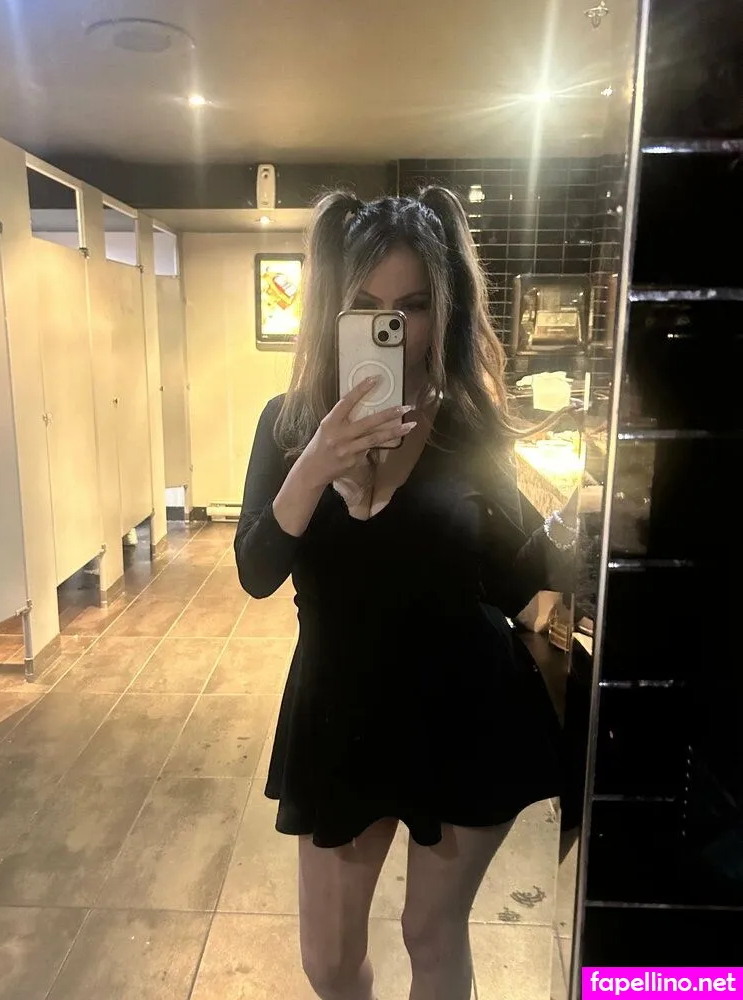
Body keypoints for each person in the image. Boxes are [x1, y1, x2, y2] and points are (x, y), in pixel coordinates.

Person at [235, 187, 577, 1000]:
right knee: (327, 959)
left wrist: (572, 535)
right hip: (340, 711)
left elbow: (516, 581)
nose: (392, 325)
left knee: (431, 931)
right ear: (334, 308)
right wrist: (316, 464)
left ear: (442, 311)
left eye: (413, 306)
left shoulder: (468, 426)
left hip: (464, 709)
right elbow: (256, 572)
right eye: (366, 306)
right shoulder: (288, 423)